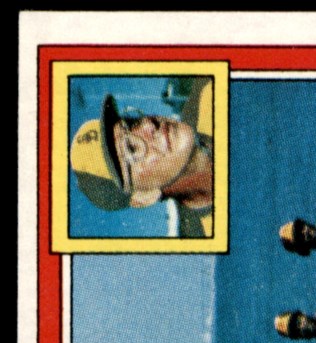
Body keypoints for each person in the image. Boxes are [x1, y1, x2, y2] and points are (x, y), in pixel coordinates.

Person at [70, 78, 215, 237]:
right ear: (146, 197)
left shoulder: (210, 91)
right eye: (132, 149)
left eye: (132, 122)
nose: (149, 125)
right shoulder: (205, 240)